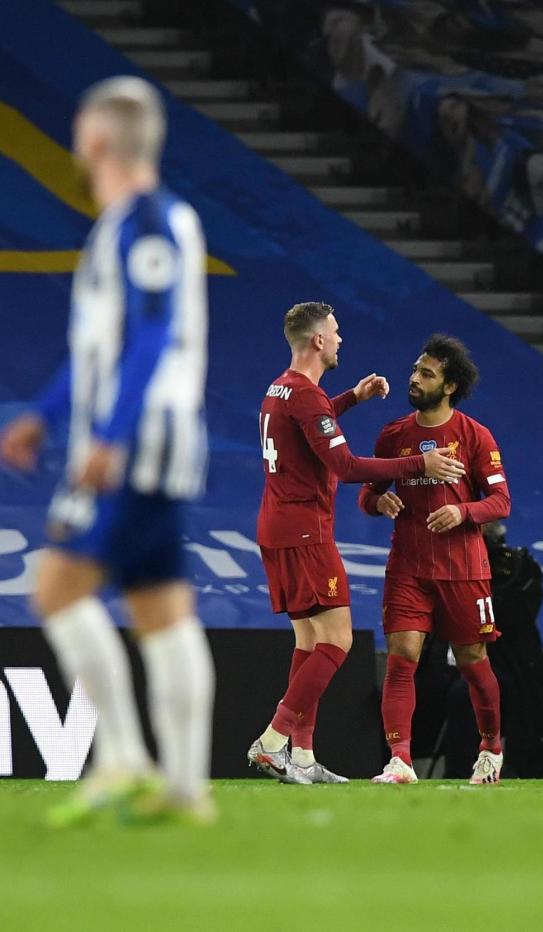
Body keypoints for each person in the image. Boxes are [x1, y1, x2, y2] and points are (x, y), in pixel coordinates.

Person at [0, 76, 215, 824]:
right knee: (161, 607)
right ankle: (185, 789)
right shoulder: (125, 224)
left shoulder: (149, 221)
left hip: (138, 445)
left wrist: (110, 437)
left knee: (58, 588)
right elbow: (96, 349)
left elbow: (151, 337)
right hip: (138, 443)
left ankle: (125, 758)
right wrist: (43, 414)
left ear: (95, 140)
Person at [248, 304, 465, 783]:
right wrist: (418, 466)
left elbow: (310, 421)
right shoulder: (305, 396)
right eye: (336, 332)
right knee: (339, 640)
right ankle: (273, 740)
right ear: (319, 341)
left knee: (309, 639)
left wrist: (352, 397)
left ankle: (301, 757)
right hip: (306, 531)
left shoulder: (281, 387)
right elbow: (346, 467)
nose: (342, 339)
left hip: (277, 526)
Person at [359, 335, 512, 786]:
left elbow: (501, 501)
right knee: (402, 657)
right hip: (408, 566)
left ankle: (491, 747)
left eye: (426, 373)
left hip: (464, 569)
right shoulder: (394, 435)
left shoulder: (474, 436)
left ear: (448, 386)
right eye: (415, 369)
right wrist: (378, 503)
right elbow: (367, 494)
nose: (414, 378)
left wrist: (462, 512)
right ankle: (400, 761)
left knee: (471, 659)